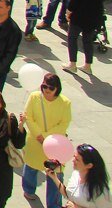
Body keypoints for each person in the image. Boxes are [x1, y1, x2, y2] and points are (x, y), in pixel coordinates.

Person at [23, 73, 73, 208]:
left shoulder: (65, 103)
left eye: (50, 88)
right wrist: (38, 135)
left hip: (55, 145)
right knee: (31, 167)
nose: (46, 90)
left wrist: (46, 137)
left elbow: (64, 124)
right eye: (44, 86)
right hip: (35, 141)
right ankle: (28, 189)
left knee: (55, 174)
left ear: (57, 88)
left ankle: (54, 204)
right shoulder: (34, 97)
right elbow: (29, 117)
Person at [64, 0, 105, 73]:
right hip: (92, 20)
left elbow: (72, 4)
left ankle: (72, 64)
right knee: (87, 42)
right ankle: (88, 66)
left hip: (78, 19)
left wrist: (68, 13)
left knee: (72, 38)